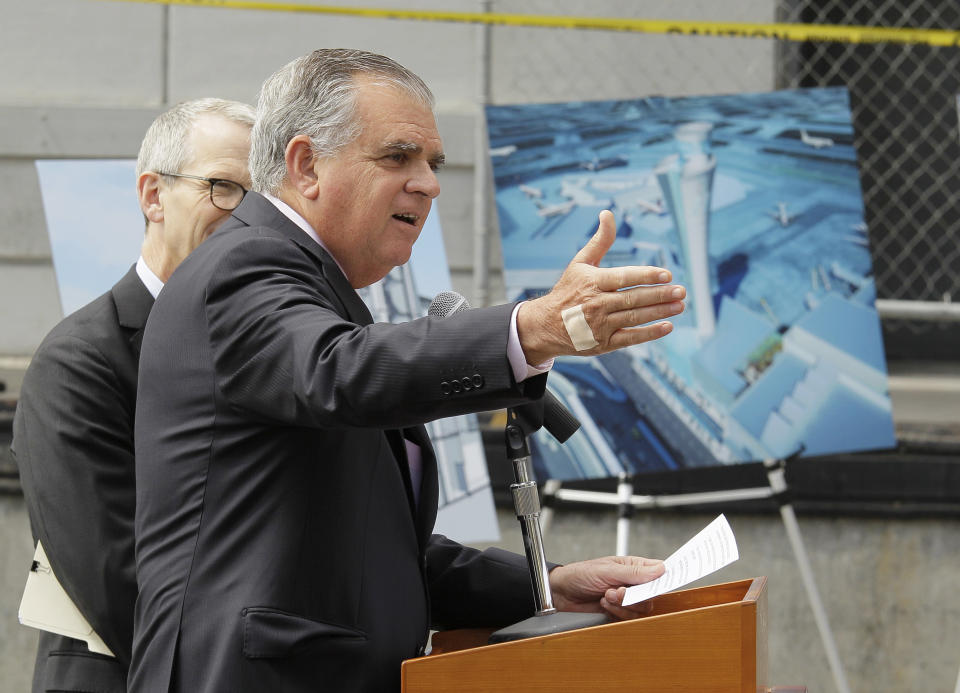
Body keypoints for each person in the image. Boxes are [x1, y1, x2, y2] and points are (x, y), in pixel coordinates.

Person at [130, 49, 687, 693]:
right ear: (306, 165)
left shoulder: (319, 290)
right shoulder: (245, 263)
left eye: (432, 163)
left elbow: (380, 553)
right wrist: (528, 329)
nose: (428, 183)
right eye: (398, 157)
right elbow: (337, 372)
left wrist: (546, 584)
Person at [12, 97, 254, 693]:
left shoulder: (263, 353)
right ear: (152, 196)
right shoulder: (80, 361)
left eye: (265, 200)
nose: (246, 217)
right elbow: (114, 577)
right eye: (223, 187)